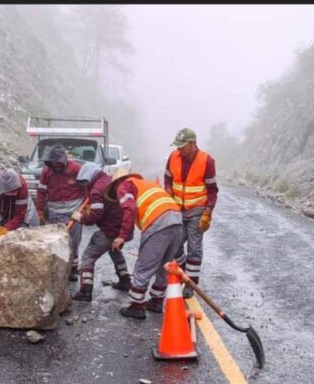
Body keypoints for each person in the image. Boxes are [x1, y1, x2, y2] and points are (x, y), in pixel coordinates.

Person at [103, 173, 185, 319]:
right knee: (164, 265)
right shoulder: (147, 184)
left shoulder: (124, 185)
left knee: (144, 265)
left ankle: (136, 306)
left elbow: (130, 209)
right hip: (177, 220)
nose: (117, 197)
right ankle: (156, 301)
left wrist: (121, 236)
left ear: (116, 183)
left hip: (158, 222)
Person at [164, 128, 219, 295]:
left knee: (194, 248)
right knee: (175, 244)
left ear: (193, 143)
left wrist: (207, 213)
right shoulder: (173, 157)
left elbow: (212, 190)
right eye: (177, 146)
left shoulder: (206, 161)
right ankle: (182, 274)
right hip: (177, 209)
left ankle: (191, 284)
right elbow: (167, 178)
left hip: (196, 210)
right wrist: (168, 194)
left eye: (182, 146)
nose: (179, 149)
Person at [70, 163, 134, 301]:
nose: (83, 185)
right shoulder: (107, 179)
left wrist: (81, 218)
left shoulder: (96, 190)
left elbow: (95, 216)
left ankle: (85, 290)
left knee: (88, 255)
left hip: (110, 229)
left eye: (84, 182)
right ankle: (125, 280)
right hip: (123, 228)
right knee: (114, 251)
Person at [35, 144, 86, 280]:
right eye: (53, 163)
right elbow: (41, 192)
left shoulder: (76, 168)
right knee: (56, 241)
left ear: (63, 160)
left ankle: (73, 269)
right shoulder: (46, 172)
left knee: (73, 241)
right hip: (54, 212)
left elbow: (85, 189)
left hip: (73, 212)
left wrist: (85, 207)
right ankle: (58, 268)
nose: (56, 166)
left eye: (58, 163)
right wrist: (40, 210)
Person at [0, 168, 37, 239]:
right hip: (1, 207)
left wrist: (6, 229)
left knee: (22, 236)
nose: (10, 195)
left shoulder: (22, 186)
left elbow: (20, 214)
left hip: (22, 211)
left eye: (13, 193)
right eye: (8, 193)